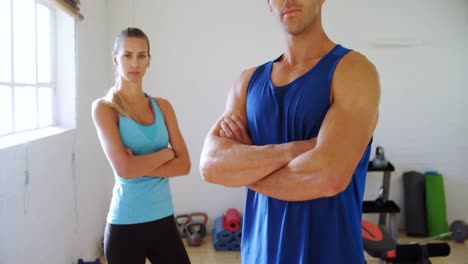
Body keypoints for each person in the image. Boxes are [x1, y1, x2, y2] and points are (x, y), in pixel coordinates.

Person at [199, 0, 380, 263]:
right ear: (268, 4)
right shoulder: (246, 82)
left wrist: (242, 168)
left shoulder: (353, 71)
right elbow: (211, 166)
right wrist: (303, 148)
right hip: (259, 256)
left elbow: (327, 177)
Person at [91, 27, 191, 264]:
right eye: (127, 55)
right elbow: (124, 170)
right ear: (115, 59)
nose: (134, 63)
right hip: (124, 225)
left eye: (141, 55)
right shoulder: (104, 109)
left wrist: (136, 164)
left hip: (164, 220)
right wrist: (167, 154)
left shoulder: (163, 106)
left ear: (149, 61)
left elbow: (184, 165)